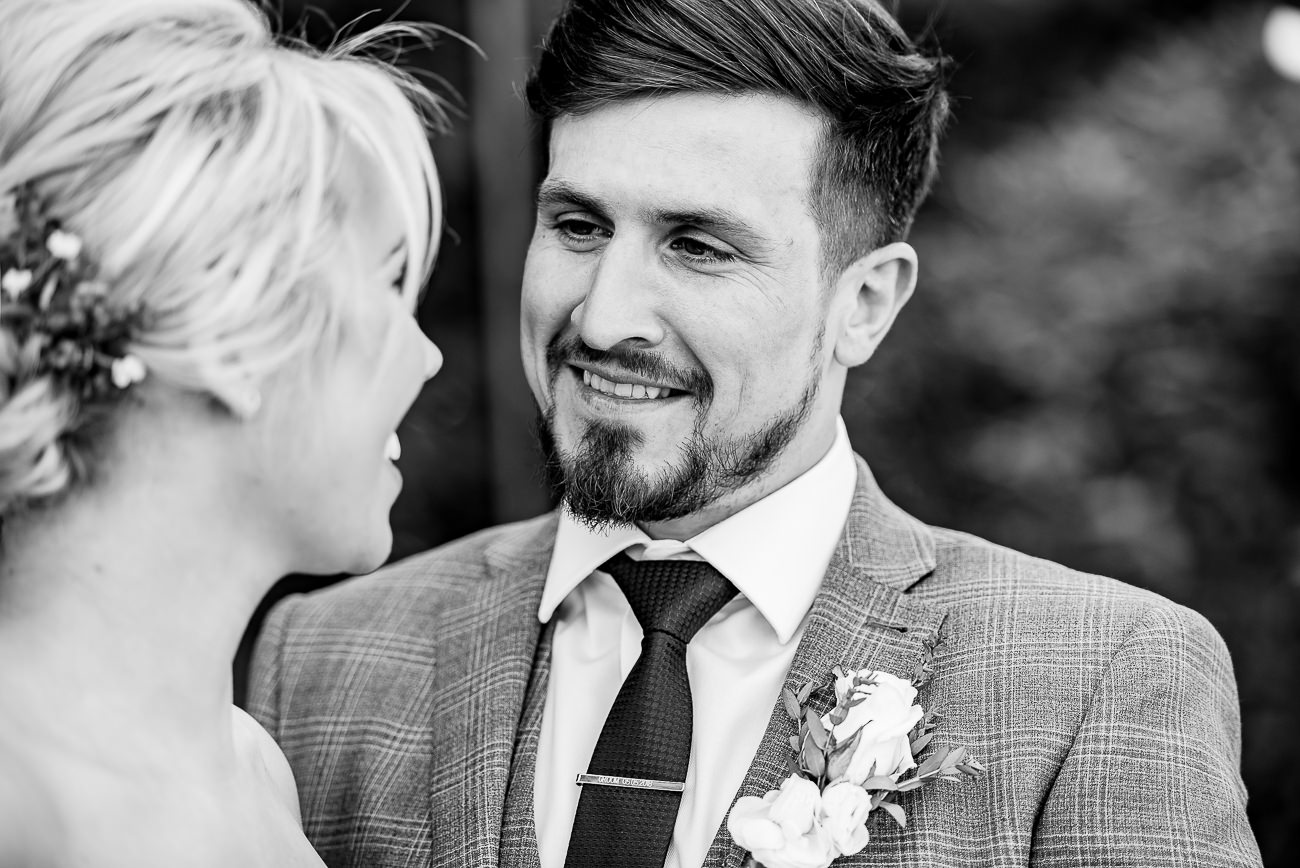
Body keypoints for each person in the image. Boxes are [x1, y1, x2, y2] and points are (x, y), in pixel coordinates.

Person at [248, 1, 1262, 866]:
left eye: (697, 246)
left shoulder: (1104, 678)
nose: (602, 319)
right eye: (578, 226)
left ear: (863, 305)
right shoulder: (323, 655)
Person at [0, 0, 446, 864]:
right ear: (229, 337)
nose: (424, 357)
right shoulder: (20, 805)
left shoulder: (254, 770)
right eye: (389, 281)